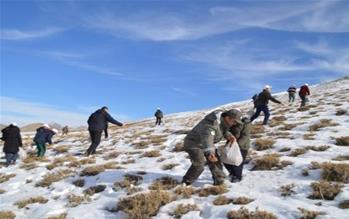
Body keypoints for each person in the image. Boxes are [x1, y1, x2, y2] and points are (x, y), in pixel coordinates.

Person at [182, 110, 240, 186]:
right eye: (234, 121)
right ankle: (186, 181)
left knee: (216, 161)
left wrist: (229, 135)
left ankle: (219, 181)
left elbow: (221, 130)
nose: (235, 124)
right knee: (199, 164)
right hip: (193, 143)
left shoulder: (223, 122)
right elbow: (207, 137)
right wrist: (210, 152)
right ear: (227, 118)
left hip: (206, 143)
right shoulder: (211, 123)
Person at [223, 109, 251, 183]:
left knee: (237, 162)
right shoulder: (229, 122)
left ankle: (237, 177)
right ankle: (232, 173)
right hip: (231, 144)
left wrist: (236, 145)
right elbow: (226, 132)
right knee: (226, 159)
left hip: (242, 146)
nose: (235, 122)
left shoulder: (246, 123)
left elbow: (245, 136)